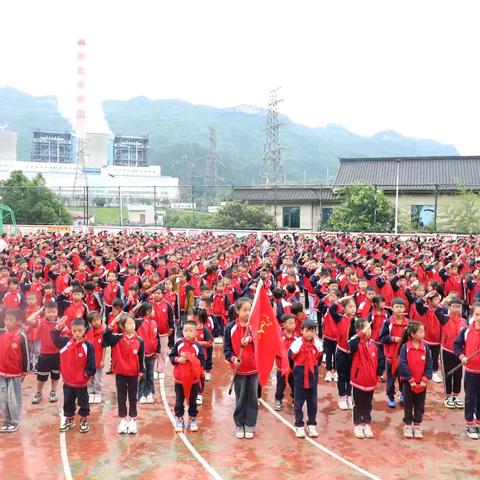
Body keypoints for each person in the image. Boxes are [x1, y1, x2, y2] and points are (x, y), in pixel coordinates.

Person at [51, 317, 96, 433]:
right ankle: (69, 419)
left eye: (79, 331)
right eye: (74, 331)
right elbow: (54, 337)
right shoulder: (65, 342)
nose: (77, 333)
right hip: (68, 381)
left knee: (83, 402)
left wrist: (87, 375)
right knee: (68, 401)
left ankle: (84, 419)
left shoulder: (88, 345)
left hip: (81, 382)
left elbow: (91, 362)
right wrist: (58, 326)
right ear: (71, 330)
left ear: (84, 331)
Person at [103, 313, 145, 435]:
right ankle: (123, 420)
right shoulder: (116, 339)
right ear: (122, 326)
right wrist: (112, 324)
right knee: (121, 397)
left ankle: (132, 419)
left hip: (133, 374)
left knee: (133, 397)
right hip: (120, 373)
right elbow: (105, 335)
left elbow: (141, 357)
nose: (132, 326)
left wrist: (142, 371)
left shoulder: (139, 340)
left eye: (133, 323)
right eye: (129, 323)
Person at [224, 297, 258, 439]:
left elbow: (261, 343)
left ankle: (250, 424)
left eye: (250, 310)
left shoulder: (255, 327)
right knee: (240, 396)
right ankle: (239, 423)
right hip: (239, 369)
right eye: (244, 310)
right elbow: (227, 350)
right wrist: (233, 359)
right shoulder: (230, 328)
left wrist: (251, 339)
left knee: (252, 397)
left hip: (254, 368)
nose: (247, 313)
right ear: (237, 311)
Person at [169, 320, 206, 432]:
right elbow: (172, 356)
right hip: (179, 379)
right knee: (179, 401)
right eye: (185, 330)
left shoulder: (197, 346)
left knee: (192, 401)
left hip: (193, 380)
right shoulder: (179, 343)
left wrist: (190, 358)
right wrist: (178, 359)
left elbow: (202, 361)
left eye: (190, 331)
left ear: (196, 333)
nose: (188, 333)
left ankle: (192, 419)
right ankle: (179, 420)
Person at [398, 321, 433, 439]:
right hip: (409, 384)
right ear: (413, 334)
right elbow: (402, 364)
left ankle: (417, 425)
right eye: (421, 331)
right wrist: (411, 380)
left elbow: (429, 364)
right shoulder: (405, 347)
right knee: (408, 405)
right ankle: (408, 425)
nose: (424, 334)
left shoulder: (426, 347)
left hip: (422, 384)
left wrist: (425, 379)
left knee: (419, 405)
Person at [288, 318, 323, 438]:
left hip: (312, 377)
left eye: (312, 331)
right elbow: (290, 358)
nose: (310, 333)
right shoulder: (296, 344)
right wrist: (296, 371)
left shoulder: (318, 344)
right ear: (302, 331)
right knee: (298, 403)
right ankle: (298, 425)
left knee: (312, 403)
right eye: (307, 331)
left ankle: (312, 424)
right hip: (300, 377)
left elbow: (319, 359)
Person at [26, 302, 64, 404]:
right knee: (41, 377)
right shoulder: (41, 322)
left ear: (57, 312)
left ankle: (53, 392)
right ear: (44, 312)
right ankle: (39, 393)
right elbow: (29, 320)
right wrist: (39, 311)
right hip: (44, 354)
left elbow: (66, 335)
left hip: (57, 354)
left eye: (53, 312)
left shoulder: (59, 323)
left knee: (55, 375)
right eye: (49, 312)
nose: (51, 314)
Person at [0, 309, 29, 432]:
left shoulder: (21, 337)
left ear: (17, 322)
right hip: (2, 373)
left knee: (14, 398)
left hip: (15, 373)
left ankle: (15, 421)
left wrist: (25, 371)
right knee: (3, 398)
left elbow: (25, 354)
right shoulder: (2, 335)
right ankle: (6, 420)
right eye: (6, 319)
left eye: (10, 320)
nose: (7, 322)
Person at [435, 296, 466, 409]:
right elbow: (436, 311)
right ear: (449, 307)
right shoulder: (445, 319)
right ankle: (448, 396)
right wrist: (445, 300)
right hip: (447, 351)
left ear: (462, 308)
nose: (456, 308)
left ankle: (456, 395)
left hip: (459, 353)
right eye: (453, 306)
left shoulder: (464, 322)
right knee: (447, 374)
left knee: (458, 375)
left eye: (458, 307)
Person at [454, 303, 480, 440]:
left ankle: (479, 424)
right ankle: (469, 423)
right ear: (472, 315)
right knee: (470, 398)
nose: (479, 318)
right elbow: (457, 345)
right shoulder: (466, 331)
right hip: (471, 371)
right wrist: (462, 356)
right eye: (477, 314)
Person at [349, 318, 378, 439]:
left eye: (369, 329)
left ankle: (366, 423)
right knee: (358, 404)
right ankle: (357, 424)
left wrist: (376, 376)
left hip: (370, 381)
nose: (368, 332)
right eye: (365, 329)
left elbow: (378, 363)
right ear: (358, 331)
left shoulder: (374, 346)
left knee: (368, 404)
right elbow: (351, 343)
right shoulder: (355, 343)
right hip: (358, 381)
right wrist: (361, 334)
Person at [380, 297, 409, 408]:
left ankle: (403, 394)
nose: (399, 309)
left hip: (403, 356)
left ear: (405, 308)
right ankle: (391, 397)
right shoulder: (387, 322)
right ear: (391, 308)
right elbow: (382, 338)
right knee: (391, 378)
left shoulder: (408, 322)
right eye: (396, 307)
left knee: (403, 377)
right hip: (391, 356)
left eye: (401, 307)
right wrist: (393, 339)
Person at [330, 296, 357, 410]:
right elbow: (331, 310)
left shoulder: (357, 321)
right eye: (350, 307)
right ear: (344, 308)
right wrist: (340, 300)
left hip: (353, 353)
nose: (353, 309)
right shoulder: (340, 318)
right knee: (342, 376)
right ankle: (342, 397)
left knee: (351, 376)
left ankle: (349, 396)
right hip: (341, 351)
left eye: (354, 306)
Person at [136, 302, 160, 404]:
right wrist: (135, 307)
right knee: (143, 375)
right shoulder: (138, 322)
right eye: (152, 310)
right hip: (141, 355)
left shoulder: (154, 323)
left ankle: (149, 392)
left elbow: (157, 337)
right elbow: (127, 316)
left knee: (150, 374)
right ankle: (141, 394)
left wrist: (158, 351)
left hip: (152, 354)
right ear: (148, 311)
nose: (154, 311)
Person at [274, 314, 296, 411]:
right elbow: (275, 351)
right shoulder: (279, 337)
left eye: (294, 323)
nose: (293, 325)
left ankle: (296, 399)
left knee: (295, 384)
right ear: (284, 325)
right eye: (290, 323)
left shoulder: (296, 338)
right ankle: (278, 399)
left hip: (293, 368)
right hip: (281, 367)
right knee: (281, 385)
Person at [85, 312, 107, 404]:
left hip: (98, 360)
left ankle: (98, 393)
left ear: (101, 319)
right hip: (89, 360)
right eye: (93, 321)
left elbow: (104, 348)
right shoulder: (88, 332)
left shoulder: (104, 332)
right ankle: (90, 393)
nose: (96, 322)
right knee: (90, 377)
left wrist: (102, 360)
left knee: (98, 378)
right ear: (90, 322)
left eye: (98, 320)